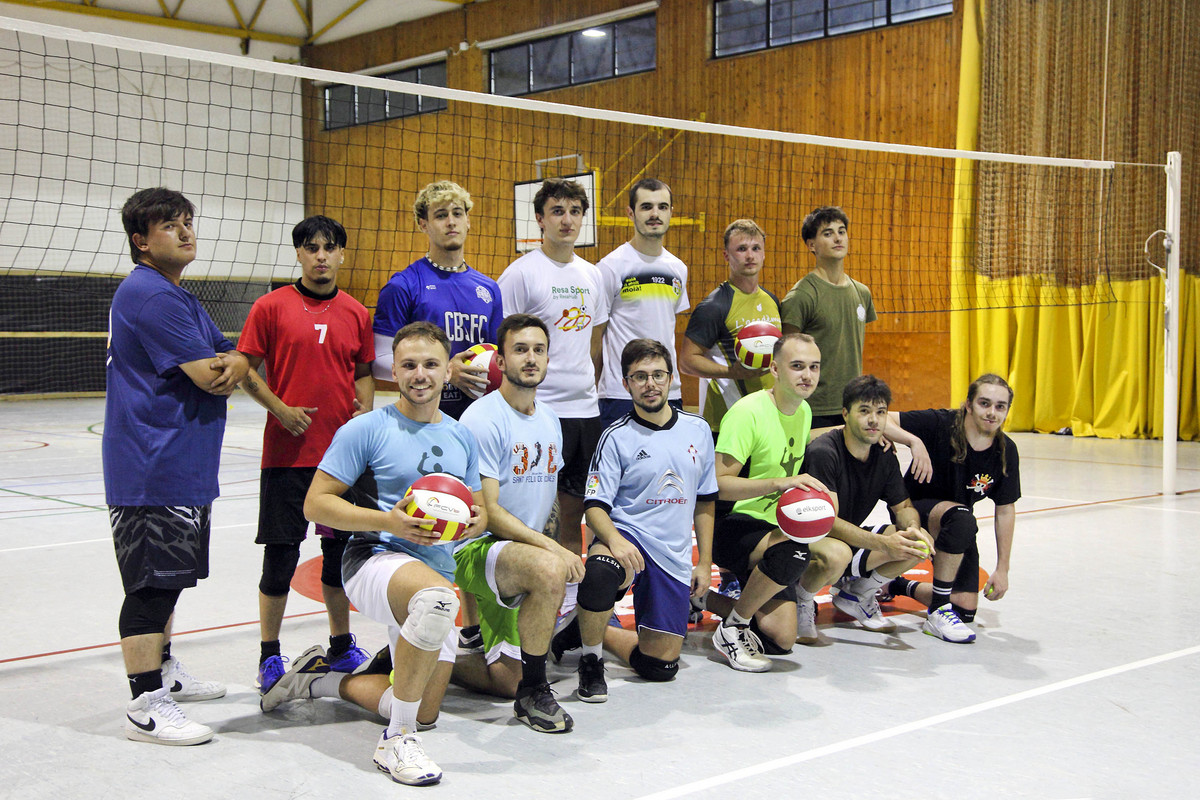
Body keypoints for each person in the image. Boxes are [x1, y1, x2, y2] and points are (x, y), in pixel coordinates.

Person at [303, 321, 486, 786]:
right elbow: (316, 503)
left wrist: (472, 521)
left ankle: (317, 680)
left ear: (449, 371)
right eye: (408, 365)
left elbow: (479, 509)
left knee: (426, 711)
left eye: (430, 364)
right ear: (394, 371)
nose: (419, 374)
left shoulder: (463, 435)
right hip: (373, 557)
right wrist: (389, 521)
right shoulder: (365, 429)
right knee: (439, 601)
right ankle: (395, 742)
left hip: (434, 566)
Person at [105, 187, 249, 745]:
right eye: (171, 225)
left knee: (169, 582)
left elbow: (228, 357)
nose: (187, 231)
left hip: (179, 462)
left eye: (188, 221)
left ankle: (163, 672)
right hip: (152, 465)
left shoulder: (178, 296)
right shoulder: (153, 296)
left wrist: (231, 359)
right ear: (141, 241)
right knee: (150, 588)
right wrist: (229, 363)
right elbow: (214, 374)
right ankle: (145, 702)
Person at [237, 215, 375, 697]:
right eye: (311, 247)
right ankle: (268, 656)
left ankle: (341, 644)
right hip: (286, 454)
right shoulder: (269, 307)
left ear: (341, 254)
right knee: (280, 558)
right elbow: (244, 370)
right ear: (298, 254)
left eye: (329, 247)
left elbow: (361, 373)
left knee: (338, 559)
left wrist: (364, 414)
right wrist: (280, 408)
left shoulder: (357, 313)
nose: (320, 255)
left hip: (341, 460)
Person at [452, 313, 584, 733]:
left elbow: (549, 505)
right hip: (477, 548)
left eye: (539, 350)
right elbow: (487, 512)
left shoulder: (548, 419)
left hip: (521, 554)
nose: (531, 358)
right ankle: (530, 691)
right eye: (520, 350)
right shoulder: (482, 417)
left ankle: (530, 648)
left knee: (601, 570)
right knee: (511, 682)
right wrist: (552, 550)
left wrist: (558, 547)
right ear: (501, 361)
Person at [570, 339, 717, 699]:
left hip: (672, 552)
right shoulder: (615, 436)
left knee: (660, 666)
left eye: (657, 375)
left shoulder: (697, 431)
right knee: (600, 573)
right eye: (639, 376)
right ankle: (590, 662)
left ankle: (587, 628)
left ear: (671, 379)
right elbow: (595, 507)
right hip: (627, 536)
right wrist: (616, 541)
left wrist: (705, 562)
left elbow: (705, 501)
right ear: (626, 384)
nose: (650, 383)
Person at [700, 333, 828, 671]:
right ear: (774, 369)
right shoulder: (748, 413)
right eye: (797, 366)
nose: (807, 375)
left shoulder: (803, 411)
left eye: (813, 367)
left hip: (771, 528)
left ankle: (700, 599)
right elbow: (717, 485)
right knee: (795, 550)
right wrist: (780, 483)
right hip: (731, 524)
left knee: (779, 639)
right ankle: (732, 628)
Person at [497, 179, 603, 554]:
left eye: (575, 212)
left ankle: (572, 605)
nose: (567, 220)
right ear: (540, 219)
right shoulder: (521, 274)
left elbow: (594, 346)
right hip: (540, 413)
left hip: (585, 414)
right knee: (539, 519)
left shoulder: (593, 275)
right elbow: (506, 347)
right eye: (558, 211)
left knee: (577, 518)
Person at [883, 374, 1021, 644]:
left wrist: (1002, 569)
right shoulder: (940, 423)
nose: (992, 413)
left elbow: (1005, 510)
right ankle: (936, 612)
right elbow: (882, 418)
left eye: (1000, 406)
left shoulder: (1005, 451)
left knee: (964, 609)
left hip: (959, 526)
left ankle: (896, 585)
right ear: (968, 404)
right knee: (961, 517)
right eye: (984, 403)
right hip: (913, 511)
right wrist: (913, 441)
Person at [794, 375, 934, 641]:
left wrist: (913, 529)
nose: (874, 420)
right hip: (809, 539)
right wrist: (882, 543)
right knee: (837, 555)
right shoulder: (825, 452)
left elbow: (903, 505)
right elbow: (828, 523)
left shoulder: (883, 454)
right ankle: (802, 596)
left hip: (847, 539)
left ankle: (857, 594)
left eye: (881, 412)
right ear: (845, 414)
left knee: (916, 544)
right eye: (865, 411)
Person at [372, 180, 503, 419]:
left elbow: (497, 356)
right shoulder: (403, 285)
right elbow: (379, 362)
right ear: (424, 224)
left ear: (468, 221)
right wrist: (445, 371)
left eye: (457, 213)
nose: (451, 221)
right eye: (441, 215)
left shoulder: (489, 289)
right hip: (421, 417)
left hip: (478, 418)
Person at [591, 178, 690, 429]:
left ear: (670, 213)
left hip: (668, 392)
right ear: (630, 213)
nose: (655, 214)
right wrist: (593, 388)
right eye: (646, 207)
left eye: (662, 207)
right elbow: (596, 337)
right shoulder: (610, 267)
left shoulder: (678, 269)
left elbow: (667, 328)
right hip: (621, 394)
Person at [680, 218, 782, 436]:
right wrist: (731, 372)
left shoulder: (772, 301)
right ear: (726, 256)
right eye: (741, 249)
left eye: (756, 248)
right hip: (725, 420)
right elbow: (687, 362)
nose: (750, 255)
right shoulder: (714, 306)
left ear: (764, 254)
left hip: (767, 417)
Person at [780, 207, 876, 430]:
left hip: (852, 404)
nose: (837, 238)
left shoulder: (862, 292)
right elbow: (787, 356)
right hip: (813, 407)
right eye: (828, 233)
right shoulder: (801, 296)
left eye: (841, 231)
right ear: (811, 245)